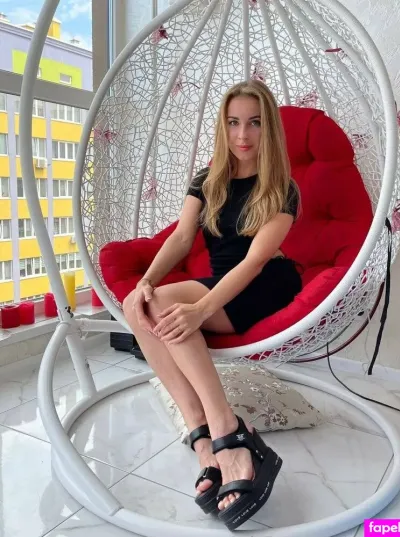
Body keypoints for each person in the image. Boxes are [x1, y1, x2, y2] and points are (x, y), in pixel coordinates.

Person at [123, 80, 302, 530]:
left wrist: (201, 310)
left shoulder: (283, 188)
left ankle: (229, 431)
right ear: (223, 126)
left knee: (168, 310)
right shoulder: (208, 179)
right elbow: (182, 237)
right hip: (220, 281)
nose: (242, 134)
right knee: (137, 304)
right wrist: (146, 281)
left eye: (254, 123)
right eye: (233, 122)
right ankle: (202, 437)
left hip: (265, 281)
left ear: (269, 128)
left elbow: (255, 261)